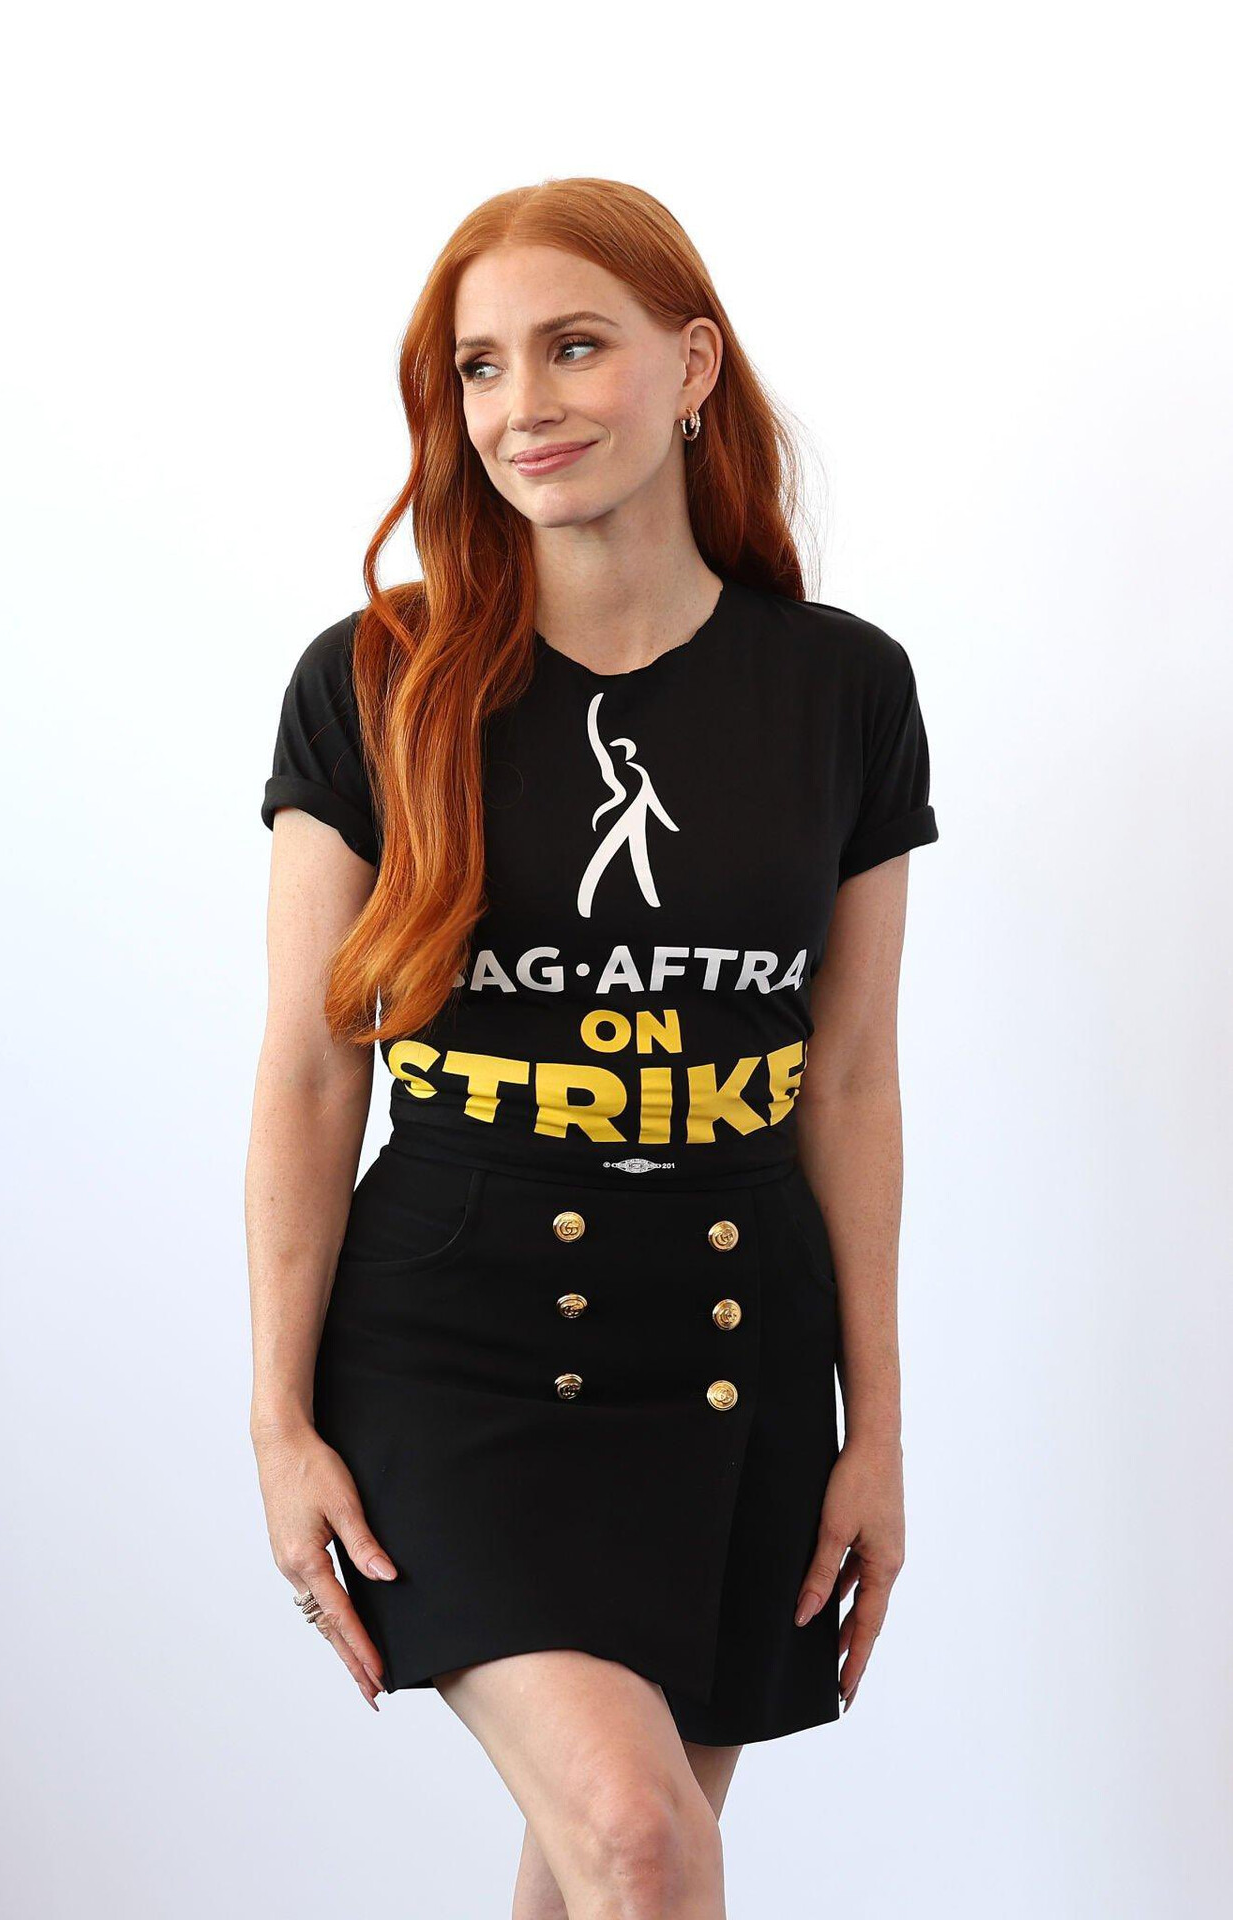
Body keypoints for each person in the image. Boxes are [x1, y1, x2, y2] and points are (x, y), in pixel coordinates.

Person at [247, 175, 940, 1919]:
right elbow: (314, 1073)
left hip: (731, 1335)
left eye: (573, 347)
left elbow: (851, 1076)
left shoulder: (844, 690)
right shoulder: (376, 677)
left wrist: (876, 1422)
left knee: (605, 1874)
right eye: (479, 368)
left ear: (692, 366)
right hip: (458, 1333)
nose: (521, 406)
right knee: (640, 1837)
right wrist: (276, 1418)